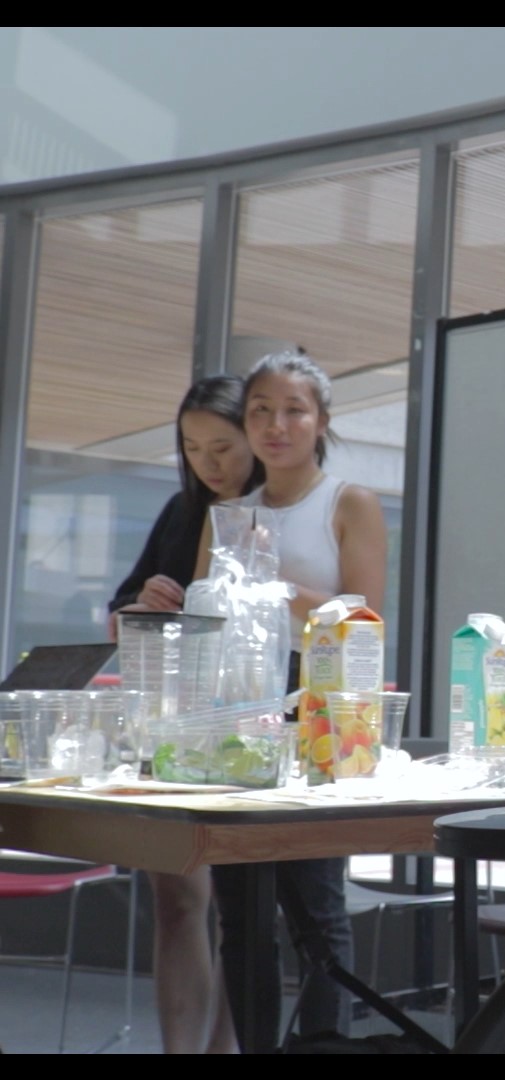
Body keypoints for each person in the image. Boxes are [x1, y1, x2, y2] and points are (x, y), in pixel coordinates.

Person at [196, 349, 389, 1047]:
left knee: (316, 906)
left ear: (322, 422)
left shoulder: (348, 502)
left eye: (293, 411)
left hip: (319, 711)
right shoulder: (228, 515)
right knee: (240, 913)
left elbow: (362, 621)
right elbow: (205, 621)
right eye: (261, 411)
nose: (276, 426)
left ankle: (324, 1042)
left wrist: (273, 579)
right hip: (237, 709)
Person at [107, 374, 264, 1054]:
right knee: (177, 902)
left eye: (222, 447)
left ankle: (224, 1048)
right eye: (192, 448)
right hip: (173, 727)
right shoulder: (182, 510)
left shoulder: (272, 511)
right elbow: (119, 616)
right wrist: (143, 603)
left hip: (252, 728)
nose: (208, 463)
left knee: (243, 915)